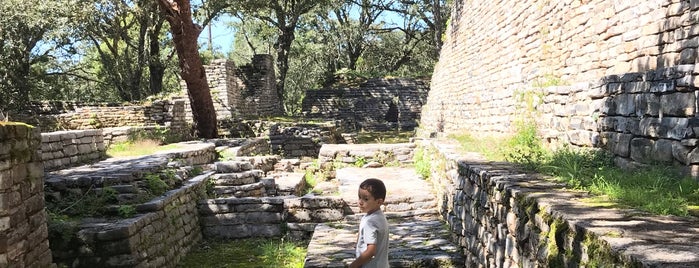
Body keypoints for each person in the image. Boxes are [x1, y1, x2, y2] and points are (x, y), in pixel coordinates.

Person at [350, 178, 389, 268]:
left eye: (366, 199)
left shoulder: (370, 222)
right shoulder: (380, 217)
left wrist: (354, 265)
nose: (360, 202)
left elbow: (371, 251)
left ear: (379, 202)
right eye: (359, 197)